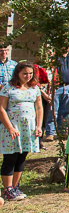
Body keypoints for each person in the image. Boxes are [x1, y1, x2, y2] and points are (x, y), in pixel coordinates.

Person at [0, 63, 42, 201]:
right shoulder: (8, 88)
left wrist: (38, 126)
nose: (27, 76)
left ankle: (15, 186)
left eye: (30, 73)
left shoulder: (34, 88)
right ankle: (7, 189)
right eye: (24, 73)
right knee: (10, 157)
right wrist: (10, 127)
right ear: (17, 73)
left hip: (28, 129)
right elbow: (1, 109)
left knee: (22, 157)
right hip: (13, 127)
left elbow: (39, 108)